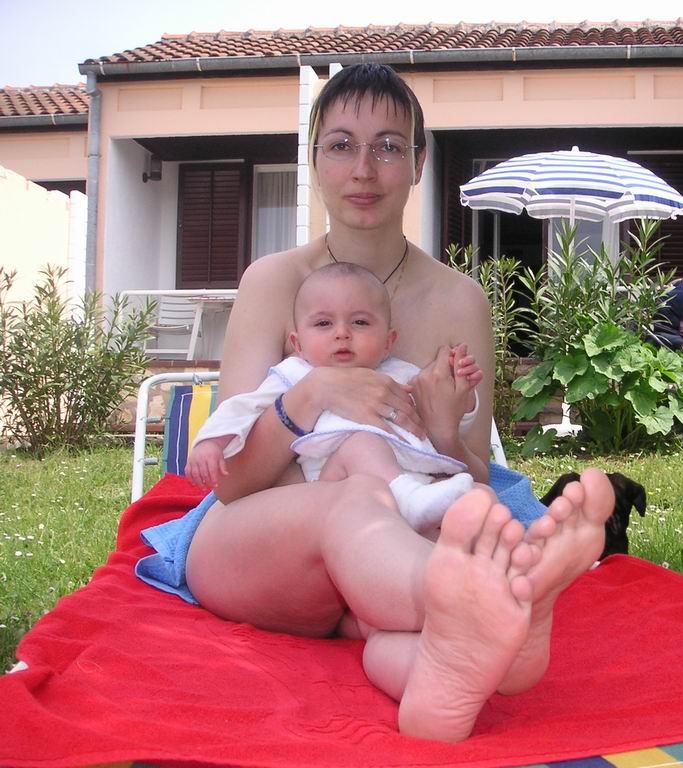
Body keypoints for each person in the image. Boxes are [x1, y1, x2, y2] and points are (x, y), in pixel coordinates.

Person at [143, 63, 615, 743]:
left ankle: (454, 664)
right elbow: (234, 482)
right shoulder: (271, 283)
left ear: (419, 162)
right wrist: (312, 393)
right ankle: (486, 596)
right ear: (314, 160)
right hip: (258, 543)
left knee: (402, 582)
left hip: (384, 562)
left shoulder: (458, 300)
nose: (364, 169)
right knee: (358, 497)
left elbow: (468, 475)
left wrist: (443, 431)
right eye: (341, 145)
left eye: (389, 147)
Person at [184, 262, 482, 533]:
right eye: (323, 324)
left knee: (482, 498)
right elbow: (243, 408)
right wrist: (211, 442)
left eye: (360, 322)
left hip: (413, 480)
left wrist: (461, 392)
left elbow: (437, 410)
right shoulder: (295, 375)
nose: (342, 333)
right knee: (362, 445)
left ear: (388, 341)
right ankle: (411, 505)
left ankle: (420, 515)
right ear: (298, 344)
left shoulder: (398, 373)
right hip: (332, 485)